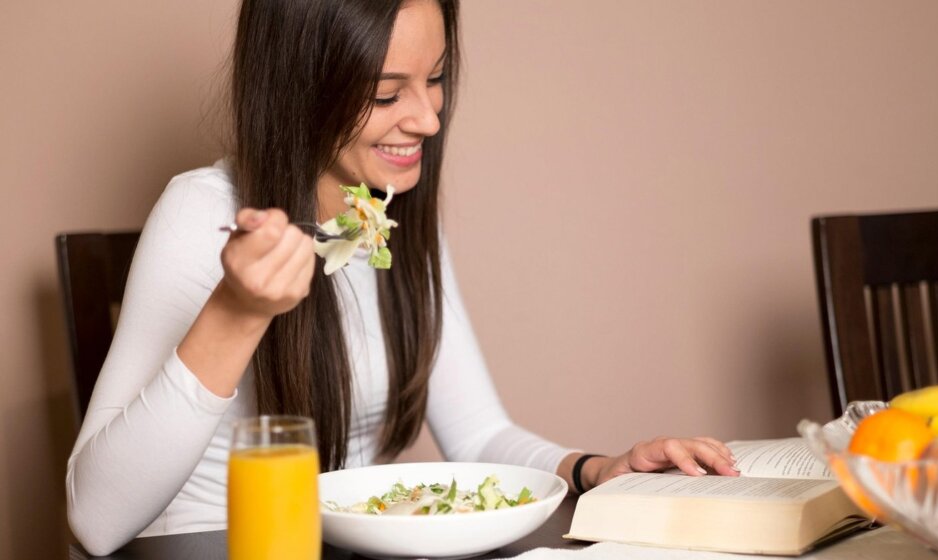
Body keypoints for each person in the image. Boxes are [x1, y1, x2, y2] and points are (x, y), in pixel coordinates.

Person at [66, 0, 740, 555]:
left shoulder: (390, 214)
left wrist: (601, 470)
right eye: (387, 93)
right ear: (301, 89)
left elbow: (478, 436)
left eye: (437, 78)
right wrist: (237, 313)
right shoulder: (201, 214)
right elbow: (95, 522)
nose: (428, 118)